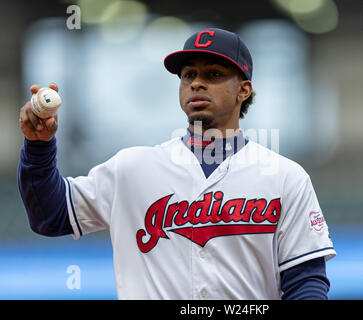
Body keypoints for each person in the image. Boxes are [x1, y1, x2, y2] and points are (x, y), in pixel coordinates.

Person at [18, 28, 336, 300]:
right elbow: (49, 215)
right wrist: (38, 146)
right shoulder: (131, 168)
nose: (196, 83)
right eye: (188, 75)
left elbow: (305, 280)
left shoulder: (284, 176)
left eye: (213, 74)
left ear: (244, 90)